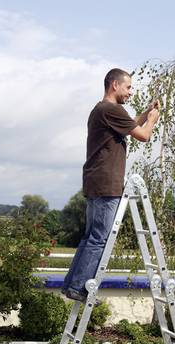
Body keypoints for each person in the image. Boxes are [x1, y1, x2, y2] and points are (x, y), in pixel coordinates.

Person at [62, 68, 160, 301]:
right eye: (128, 87)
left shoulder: (102, 110)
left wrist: (146, 112)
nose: (130, 92)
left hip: (96, 180)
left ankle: (72, 285)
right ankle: (78, 288)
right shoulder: (111, 109)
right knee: (99, 238)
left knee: (90, 237)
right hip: (107, 182)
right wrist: (153, 121)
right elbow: (143, 135)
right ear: (114, 85)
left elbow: (130, 126)